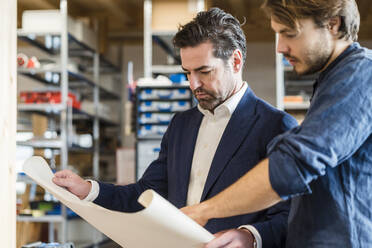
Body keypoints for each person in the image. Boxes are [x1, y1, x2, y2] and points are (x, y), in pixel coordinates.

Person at [53, 8, 298, 248]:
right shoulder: (181, 125)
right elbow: (146, 194)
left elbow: (292, 216)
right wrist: (89, 189)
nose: (193, 84)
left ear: (235, 61)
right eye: (187, 72)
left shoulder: (276, 125)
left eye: (204, 71)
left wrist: (250, 236)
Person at [181, 1, 372, 248]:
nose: (280, 47)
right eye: (277, 34)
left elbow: (293, 165)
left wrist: (204, 211)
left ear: (333, 25)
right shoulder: (330, 81)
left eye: (289, 34)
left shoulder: (360, 74)